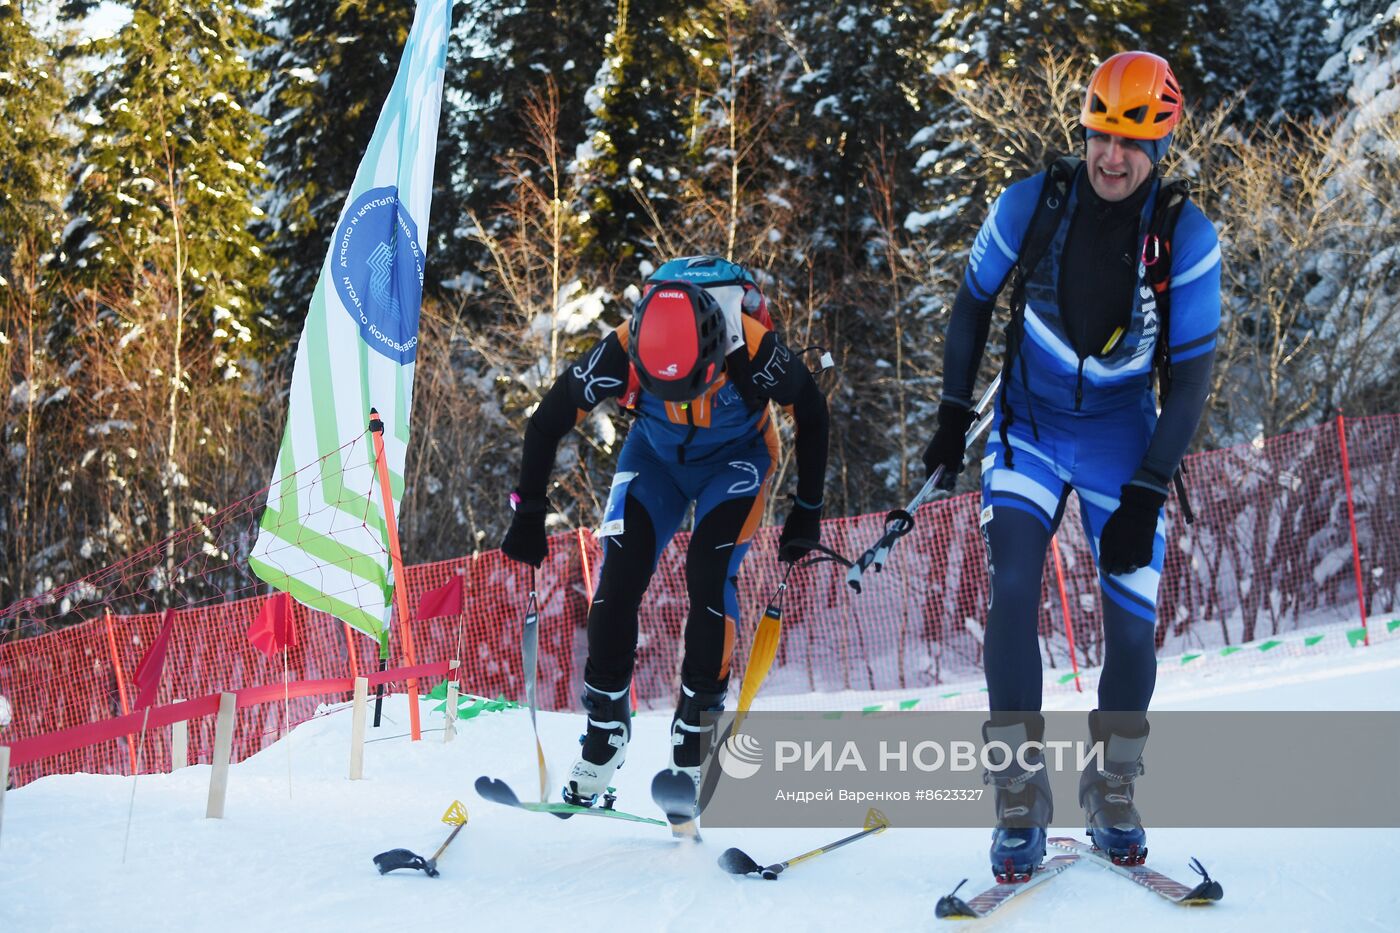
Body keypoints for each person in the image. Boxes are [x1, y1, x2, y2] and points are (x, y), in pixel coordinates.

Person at [921, 51, 1221, 877]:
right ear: (1084, 129)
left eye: (1131, 142)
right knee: (1013, 587)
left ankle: (1111, 784)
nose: (1111, 158)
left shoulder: (1185, 237)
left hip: (1125, 442)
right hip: (1029, 427)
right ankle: (1018, 794)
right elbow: (972, 301)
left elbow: (1191, 374)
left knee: (1132, 624)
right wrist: (953, 416)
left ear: (1160, 144)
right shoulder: (1033, 204)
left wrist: (1148, 488)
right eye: (1100, 136)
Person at [500, 256, 830, 806]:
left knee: (708, 573)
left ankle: (697, 732)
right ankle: (606, 730)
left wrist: (808, 509)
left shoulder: (749, 343)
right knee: (617, 581)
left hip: (738, 459)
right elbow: (547, 419)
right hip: (655, 459)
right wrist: (528, 511)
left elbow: (812, 412)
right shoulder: (622, 345)